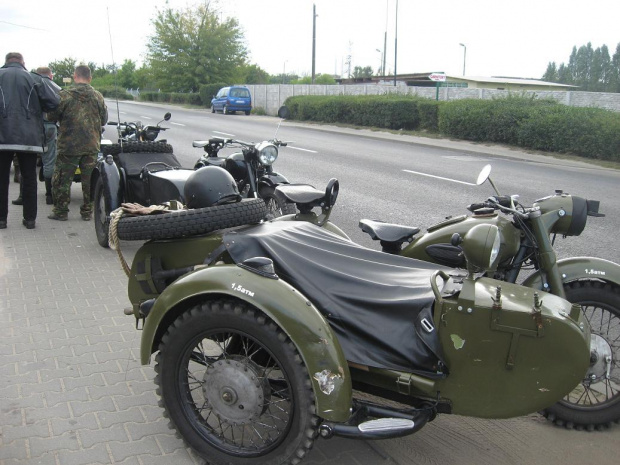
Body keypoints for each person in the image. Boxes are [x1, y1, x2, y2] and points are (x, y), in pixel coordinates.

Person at [0, 52, 59, 229]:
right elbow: (54, 102)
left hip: (2, 136)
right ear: (23, 63)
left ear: (6, 62)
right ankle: (30, 219)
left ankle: (1, 220)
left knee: (2, 179)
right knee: (29, 178)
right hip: (30, 138)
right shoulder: (35, 79)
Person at [47, 64, 107, 221]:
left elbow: (51, 117)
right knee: (89, 181)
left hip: (68, 146)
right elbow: (104, 119)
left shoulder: (64, 95)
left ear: (75, 76)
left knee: (62, 180)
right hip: (91, 145)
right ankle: (87, 212)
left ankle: (61, 211)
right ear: (90, 78)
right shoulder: (98, 96)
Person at [12, 66, 61, 206]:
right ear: (50, 76)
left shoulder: (29, 84)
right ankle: (49, 195)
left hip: (31, 128)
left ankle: (23, 196)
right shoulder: (55, 87)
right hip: (50, 127)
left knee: (26, 163)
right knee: (49, 161)